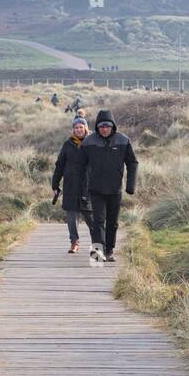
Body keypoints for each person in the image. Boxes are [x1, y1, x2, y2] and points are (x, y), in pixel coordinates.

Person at [79, 109, 138, 262]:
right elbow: (79, 166)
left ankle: (110, 250)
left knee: (113, 222)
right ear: (97, 127)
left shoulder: (123, 140)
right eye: (101, 126)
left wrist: (130, 185)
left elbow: (132, 163)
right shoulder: (88, 142)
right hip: (95, 188)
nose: (105, 128)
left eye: (108, 126)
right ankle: (97, 254)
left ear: (113, 126)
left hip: (115, 188)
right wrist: (81, 188)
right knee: (98, 221)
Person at [51, 116, 92, 254]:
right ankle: (74, 242)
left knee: (92, 218)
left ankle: (98, 243)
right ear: (73, 130)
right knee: (71, 217)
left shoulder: (93, 142)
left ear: (86, 128)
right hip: (71, 186)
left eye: (81, 127)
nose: (79, 130)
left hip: (89, 187)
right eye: (76, 127)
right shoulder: (68, 144)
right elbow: (60, 165)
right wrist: (55, 183)